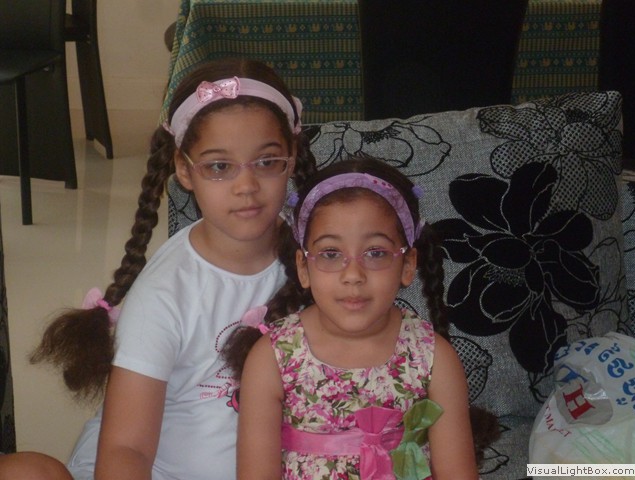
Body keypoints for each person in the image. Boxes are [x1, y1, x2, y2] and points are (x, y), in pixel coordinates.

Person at [0, 58, 316, 480]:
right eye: (219, 167)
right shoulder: (166, 293)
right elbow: (126, 449)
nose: (247, 186)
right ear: (184, 169)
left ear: (291, 157)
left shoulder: (323, 255)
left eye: (266, 161)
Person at [223, 157, 479, 479]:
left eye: (376, 253)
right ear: (303, 267)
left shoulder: (433, 357)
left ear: (407, 264)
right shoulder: (272, 358)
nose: (353, 275)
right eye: (331, 254)